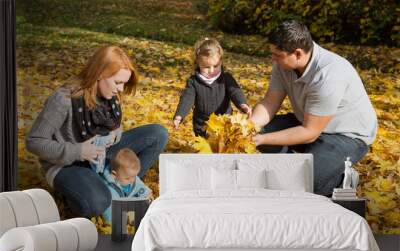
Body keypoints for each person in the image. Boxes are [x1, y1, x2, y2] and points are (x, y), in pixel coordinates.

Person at [26, 46, 168, 217]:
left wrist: (115, 135)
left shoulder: (110, 96)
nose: (121, 89)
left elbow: (115, 126)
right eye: (118, 82)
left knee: (158, 134)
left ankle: (122, 184)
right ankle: (84, 191)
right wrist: (79, 151)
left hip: (101, 156)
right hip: (67, 164)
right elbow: (34, 141)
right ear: (100, 74)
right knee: (98, 202)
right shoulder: (63, 99)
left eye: (124, 83)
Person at [250, 21, 377, 196]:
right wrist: (248, 127)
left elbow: (310, 132)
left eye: (277, 55)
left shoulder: (329, 74)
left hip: (346, 134)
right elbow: (270, 102)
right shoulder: (283, 64)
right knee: (259, 132)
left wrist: (261, 139)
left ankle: (341, 180)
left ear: (297, 53)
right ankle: (294, 170)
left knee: (307, 182)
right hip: (309, 120)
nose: (273, 58)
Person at [173, 37, 252, 137]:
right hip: (202, 126)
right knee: (205, 149)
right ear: (197, 63)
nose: (211, 71)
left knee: (223, 148)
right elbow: (187, 98)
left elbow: (235, 92)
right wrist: (179, 115)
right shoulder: (193, 82)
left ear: (221, 62)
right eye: (206, 67)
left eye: (216, 66)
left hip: (224, 123)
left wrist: (242, 104)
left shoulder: (226, 78)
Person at [101, 148, 152, 223]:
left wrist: (147, 195)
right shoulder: (109, 189)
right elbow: (109, 214)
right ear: (114, 175)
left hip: (128, 204)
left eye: (134, 176)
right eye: (127, 178)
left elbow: (140, 187)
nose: (132, 180)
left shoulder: (131, 178)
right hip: (119, 212)